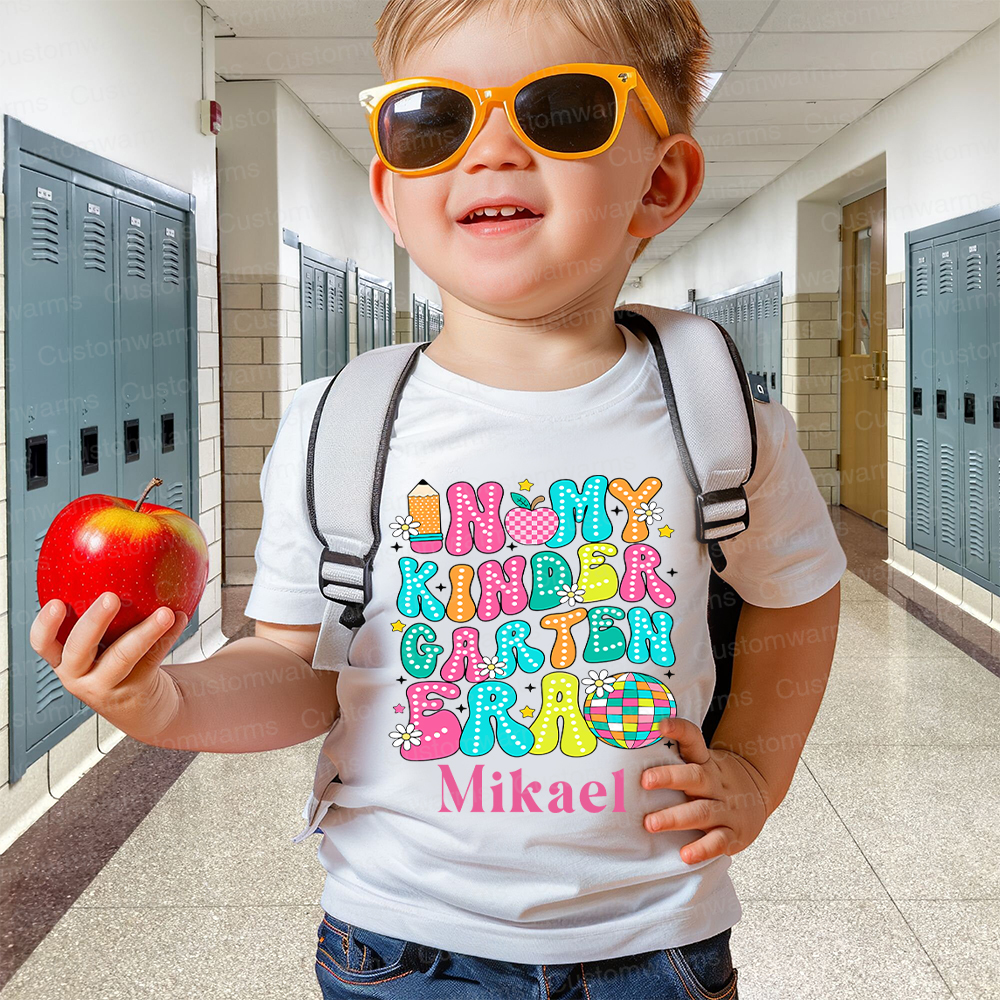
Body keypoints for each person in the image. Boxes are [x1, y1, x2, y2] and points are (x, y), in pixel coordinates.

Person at [31, 1, 847, 997]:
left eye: (562, 110)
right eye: (434, 119)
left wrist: (757, 771)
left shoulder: (718, 416)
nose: (492, 147)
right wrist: (164, 701)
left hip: (655, 937)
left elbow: (798, 590)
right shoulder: (338, 426)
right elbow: (296, 670)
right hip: (399, 944)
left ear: (661, 182)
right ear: (392, 186)